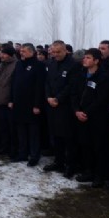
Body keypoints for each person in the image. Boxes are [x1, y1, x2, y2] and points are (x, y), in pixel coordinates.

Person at [69, 48, 109, 185]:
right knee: (85, 145)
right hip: (80, 116)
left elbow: (101, 99)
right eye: (85, 57)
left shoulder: (104, 76)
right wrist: (77, 110)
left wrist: (86, 112)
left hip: (96, 118)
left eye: (88, 58)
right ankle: (88, 171)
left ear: (96, 61)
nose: (84, 60)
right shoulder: (81, 74)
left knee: (98, 147)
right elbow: (74, 94)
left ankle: (99, 175)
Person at [43, 40, 79, 173]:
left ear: (65, 51)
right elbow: (47, 82)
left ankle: (70, 165)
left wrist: (58, 99)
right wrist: (48, 97)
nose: (56, 54)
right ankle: (58, 161)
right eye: (54, 52)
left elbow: (71, 86)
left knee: (68, 137)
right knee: (55, 135)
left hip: (66, 107)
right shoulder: (51, 64)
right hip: (52, 105)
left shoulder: (73, 65)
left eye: (59, 52)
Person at [9, 43, 46, 167]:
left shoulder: (39, 65)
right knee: (21, 131)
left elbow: (40, 86)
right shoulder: (19, 64)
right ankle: (22, 153)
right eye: (21, 51)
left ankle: (34, 156)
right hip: (19, 104)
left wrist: (37, 105)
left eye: (24, 51)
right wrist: (11, 99)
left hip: (32, 105)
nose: (21, 53)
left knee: (33, 132)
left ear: (31, 52)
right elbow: (14, 82)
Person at [0, 45, 17, 157]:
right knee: (2, 127)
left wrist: (12, 99)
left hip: (9, 103)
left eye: (4, 53)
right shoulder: (0, 65)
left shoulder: (16, 65)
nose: (1, 55)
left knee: (11, 128)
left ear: (10, 55)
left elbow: (15, 85)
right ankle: (3, 147)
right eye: (1, 53)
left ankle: (13, 150)